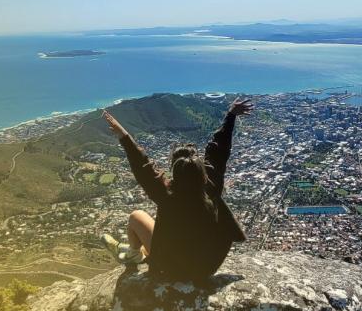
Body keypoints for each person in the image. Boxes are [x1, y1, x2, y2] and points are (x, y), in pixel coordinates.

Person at [99, 97, 252, 282]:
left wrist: (124, 136)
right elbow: (218, 151)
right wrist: (231, 116)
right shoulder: (211, 187)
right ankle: (136, 252)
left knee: (137, 216)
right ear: (203, 175)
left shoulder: (167, 195)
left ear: (174, 176)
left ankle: (134, 254)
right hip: (207, 267)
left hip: (171, 271)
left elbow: (144, 167)